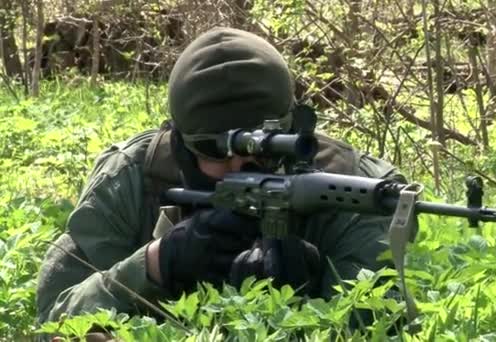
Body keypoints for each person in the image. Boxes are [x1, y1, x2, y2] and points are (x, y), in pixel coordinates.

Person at [36, 27, 405, 330]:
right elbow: (53, 321)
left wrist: (307, 300)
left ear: (295, 131)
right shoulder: (133, 180)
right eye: (215, 152)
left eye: (265, 146)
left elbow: (380, 325)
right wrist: (154, 265)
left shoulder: (353, 189)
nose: (240, 167)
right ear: (179, 142)